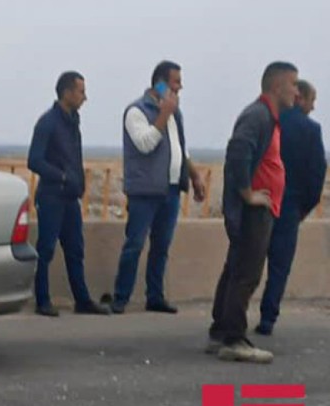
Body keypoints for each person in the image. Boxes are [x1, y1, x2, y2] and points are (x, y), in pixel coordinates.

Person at [208, 61, 299, 363]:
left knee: (235, 268)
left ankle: (221, 330)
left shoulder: (268, 118)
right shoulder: (258, 115)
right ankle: (234, 338)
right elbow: (238, 151)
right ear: (276, 86)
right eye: (293, 85)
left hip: (262, 207)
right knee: (246, 273)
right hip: (254, 210)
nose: (296, 92)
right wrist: (247, 193)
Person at [110, 61, 206, 314]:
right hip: (145, 190)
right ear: (160, 83)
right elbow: (144, 143)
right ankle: (121, 297)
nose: (180, 87)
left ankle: (155, 296)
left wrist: (194, 175)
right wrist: (163, 115)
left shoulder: (176, 114)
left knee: (161, 247)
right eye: (176, 82)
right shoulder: (136, 111)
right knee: (135, 244)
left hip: (171, 189)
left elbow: (179, 148)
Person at [27, 71, 110, 317]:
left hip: (70, 197)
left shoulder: (73, 122)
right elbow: (34, 160)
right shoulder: (48, 122)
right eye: (81, 91)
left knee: (75, 249)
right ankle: (42, 300)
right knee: (46, 249)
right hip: (52, 196)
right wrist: (61, 176)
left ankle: (82, 300)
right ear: (67, 92)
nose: (85, 97)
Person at [257, 80, 326, 335]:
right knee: (279, 266)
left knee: (248, 262)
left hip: (262, 199)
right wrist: (304, 208)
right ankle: (267, 319)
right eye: (312, 100)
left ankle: (231, 316)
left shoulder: (270, 122)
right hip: (290, 206)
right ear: (300, 98)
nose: (314, 106)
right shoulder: (311, 130)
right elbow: (316, 174)